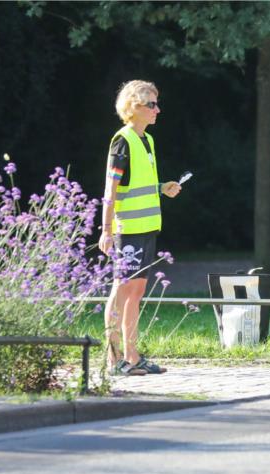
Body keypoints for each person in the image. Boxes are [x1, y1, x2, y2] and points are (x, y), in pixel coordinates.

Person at [99, 80, 183, 376]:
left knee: (136, 293)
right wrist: (105, 229)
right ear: (133, 107)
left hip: (148, 228)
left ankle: (133, 357)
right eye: (151, 104)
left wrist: (163, 187)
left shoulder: (147, 140)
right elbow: (111, 188)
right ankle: (114, 360)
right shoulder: (122, 140)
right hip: (128, 230)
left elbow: (139, 184)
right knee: (121, 290)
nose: (157, 110)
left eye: (157, 104)